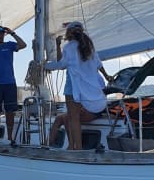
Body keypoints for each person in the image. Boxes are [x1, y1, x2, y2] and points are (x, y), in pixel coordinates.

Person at [45, 22, 111, 150]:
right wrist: (107, 76)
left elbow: (62, 64)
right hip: (88, 88)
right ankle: (74, 147)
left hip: (72, 87)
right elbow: (98, 64)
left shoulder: (69, 47)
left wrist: (56, 49)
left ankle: (76, 148)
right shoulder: (89, 46)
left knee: (73, 118)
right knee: (71, 118)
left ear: (69, 33)